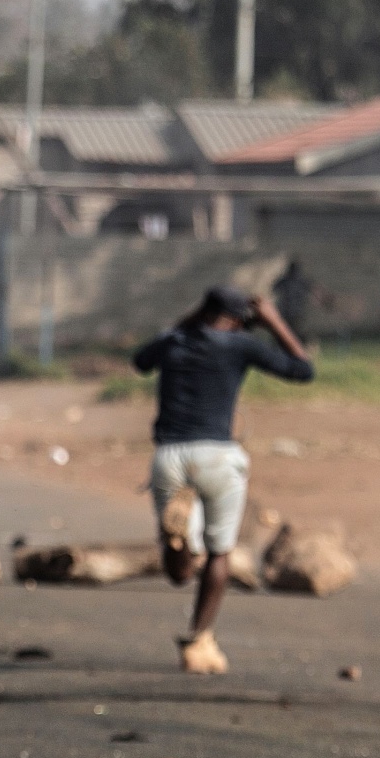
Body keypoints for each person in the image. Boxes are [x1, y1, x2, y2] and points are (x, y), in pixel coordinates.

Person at [133, 286, 314, 675]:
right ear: (237, 320)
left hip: (169, 456)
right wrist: (273, 321)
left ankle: (179, 542)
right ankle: (199, 636)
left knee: (180, 572)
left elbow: (139, 360)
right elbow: (303, 370)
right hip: (217, 456)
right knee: (220, 551)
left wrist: (189, 321)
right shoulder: (239, 345)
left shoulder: (173, 340)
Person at [272, 258, 314, 338]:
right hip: (290, 312)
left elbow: (275, 288)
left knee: (290, 333)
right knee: (286, 333)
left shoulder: (300, 281)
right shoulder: (296, 281)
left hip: (294, 312)